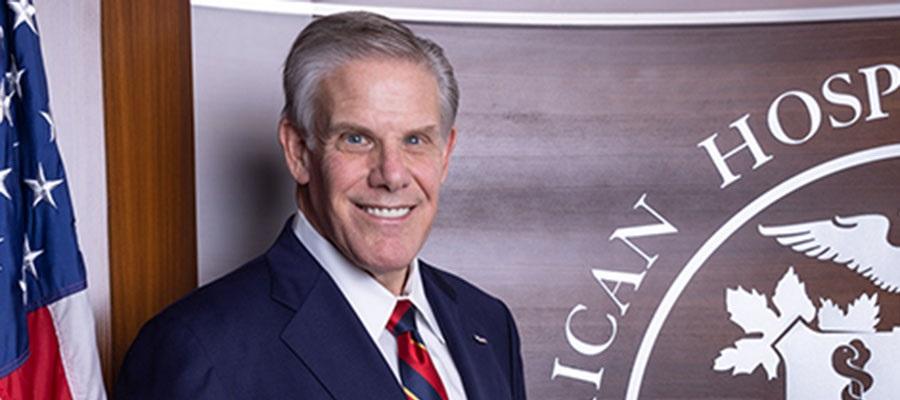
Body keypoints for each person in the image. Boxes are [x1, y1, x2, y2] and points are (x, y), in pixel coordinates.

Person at [115, 11, 526, 400]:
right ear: (298, 151)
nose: (392, 174)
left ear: (446, 154)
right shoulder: (200, 350)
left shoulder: (487, 322)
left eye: (415, 140)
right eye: (356, 139)